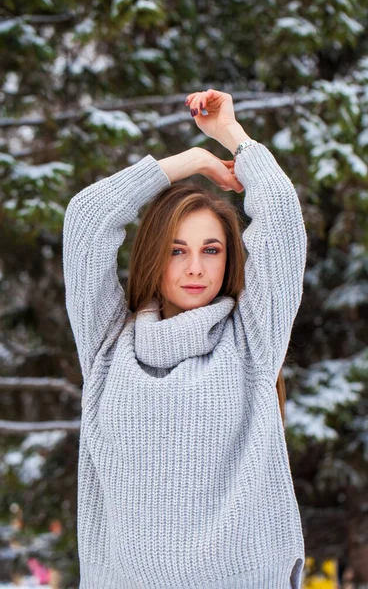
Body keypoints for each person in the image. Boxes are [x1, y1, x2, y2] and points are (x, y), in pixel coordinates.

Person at [63, 89, 308, 588]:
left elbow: (281, 218)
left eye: (211, 249)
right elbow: (87, 220)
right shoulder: (109, 346)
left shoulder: (252, 342)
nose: (195, 267)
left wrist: (230, 136)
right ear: (155, 255)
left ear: (228, 258)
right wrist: (186, 162)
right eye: (177, 250)